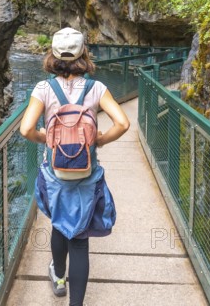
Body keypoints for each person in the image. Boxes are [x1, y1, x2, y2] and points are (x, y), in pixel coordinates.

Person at [20, 27, 130, 306]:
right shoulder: (96, 89)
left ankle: (58, 277)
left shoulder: (43, 89)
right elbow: (123, 123)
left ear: (53, 55)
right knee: (79, 238)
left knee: (59, 223)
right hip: (86, 173)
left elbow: (26, 129)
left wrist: (48, 139)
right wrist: (100, 140)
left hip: (55, 172)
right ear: (83, 54)